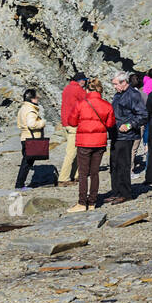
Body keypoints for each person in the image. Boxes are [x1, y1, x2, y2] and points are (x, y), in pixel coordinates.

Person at [63, 77, 115, 212]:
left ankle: (82, 203)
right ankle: (92, 202)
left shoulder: (81, 104)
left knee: (83, 173)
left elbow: (72, 122)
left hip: (84, 142)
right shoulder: (107, 105)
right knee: (95, 173)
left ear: (87, 89)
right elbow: (110, 124)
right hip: (99, 142)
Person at [109, 71, 148, 202]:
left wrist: (129, 125)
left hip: (127, 135)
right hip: (115, 134)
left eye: (115, 84)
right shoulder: (117, 95)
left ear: (124, 82)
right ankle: (115, 191)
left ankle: (125, 193)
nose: (114, 86)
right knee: (114, 164)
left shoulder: (133, 95)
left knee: (123, 165)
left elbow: (143, 115)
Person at [16, 88, 47, 190]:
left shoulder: (23, 108)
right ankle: (19, 185)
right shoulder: (31, 110)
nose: (37, 99)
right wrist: (42, 123)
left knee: (26, 162)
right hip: (31, 139)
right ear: (32, 99)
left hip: (25, 137)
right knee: (26, 163)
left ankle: (20, 184)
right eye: (36, 97)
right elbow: (32, 124)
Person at [59, 72, 86, 185]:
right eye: (85, 80)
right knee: (72, 152)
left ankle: (75, 175)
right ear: (82, 80)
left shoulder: (67, 88)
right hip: (74, 124)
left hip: (65, 123)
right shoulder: (78, 90)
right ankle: (63, 178)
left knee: (75, 150)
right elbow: (87, 101)